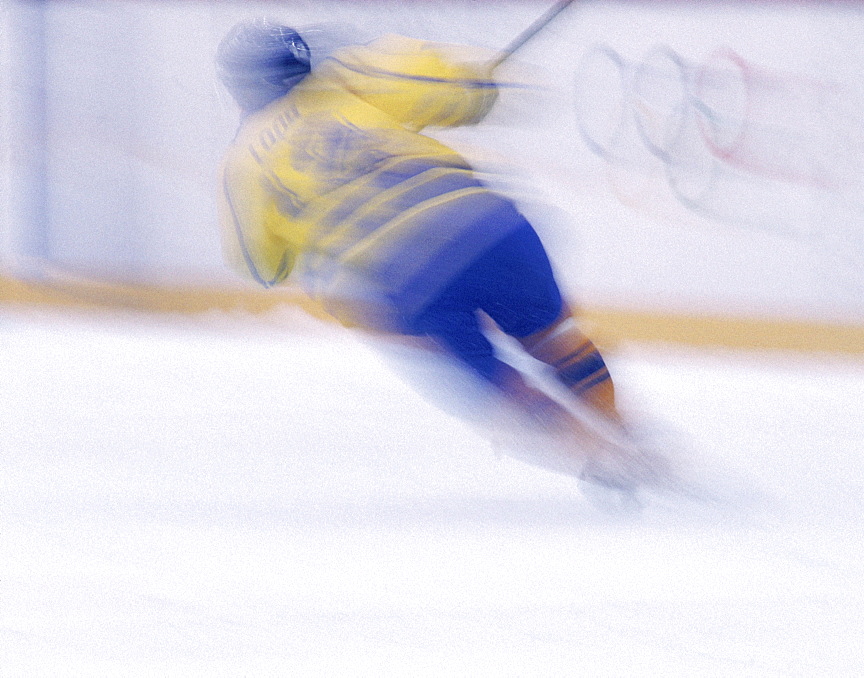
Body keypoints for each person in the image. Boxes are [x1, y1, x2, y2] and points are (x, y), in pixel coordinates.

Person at [215, 19, 668, 505]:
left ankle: (595, 451)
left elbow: (261, 265)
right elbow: (448, 87)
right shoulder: (349, 77)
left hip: (406, 275)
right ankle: (626, 433)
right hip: (489, 224)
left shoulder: (242, 165)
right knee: (552, 336)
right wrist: (473, 91)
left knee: (494, 382)